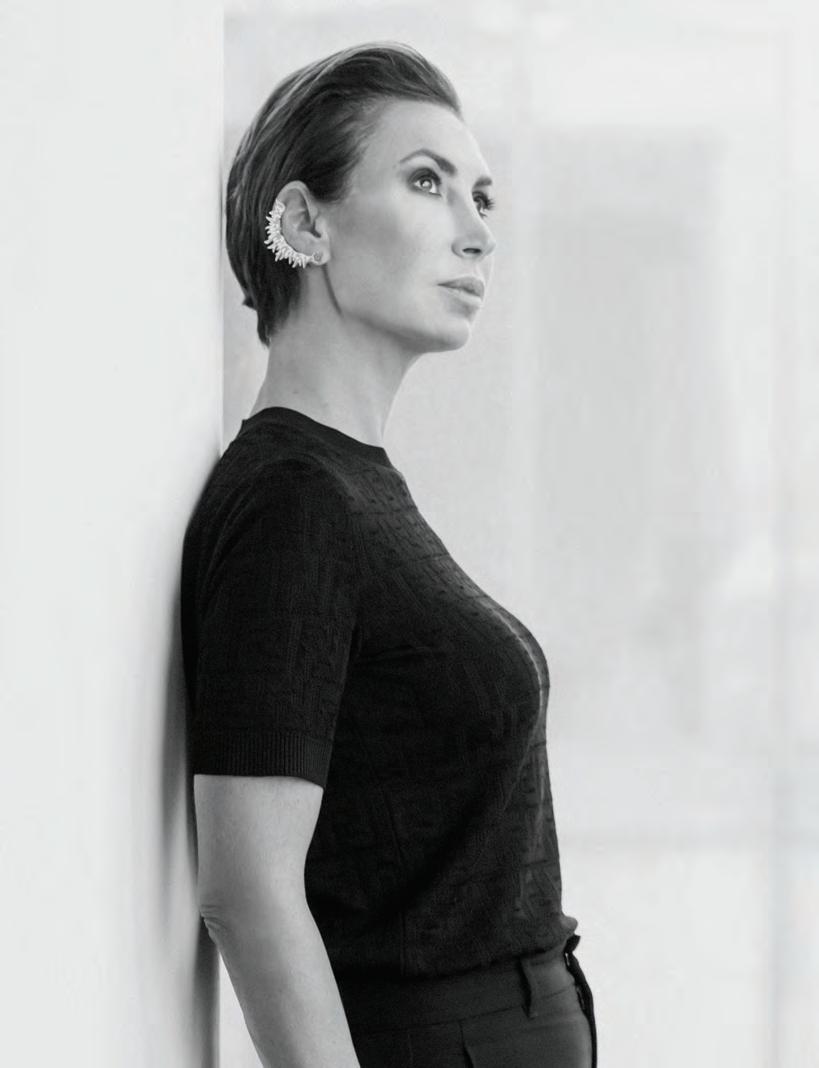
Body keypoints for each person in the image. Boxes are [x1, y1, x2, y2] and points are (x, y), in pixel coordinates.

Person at [180, 40, 597, 1068]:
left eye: (481, 198)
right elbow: (247, 889)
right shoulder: (294, 499)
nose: (476, 232)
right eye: (425, 182)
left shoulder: (351, 482)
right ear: (304, 221)